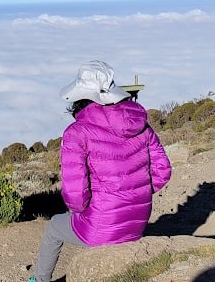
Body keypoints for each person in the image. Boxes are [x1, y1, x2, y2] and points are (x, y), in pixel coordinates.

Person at [28, 60, 172, 282]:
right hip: (138, 221)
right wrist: (134, 193)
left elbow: (76, 198)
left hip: (102, 227)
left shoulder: (77, 132)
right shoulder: (142, 125)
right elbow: (163, 172)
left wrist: (83, 209)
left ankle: (40, 280)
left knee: (54, 229)